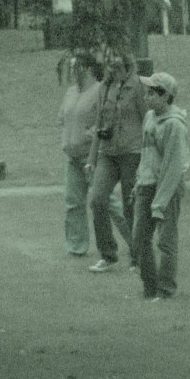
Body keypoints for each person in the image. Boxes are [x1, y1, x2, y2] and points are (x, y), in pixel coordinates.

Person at [58, 52, 129, 256]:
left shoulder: (100, 91)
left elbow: (111, 119)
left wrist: (94, 132)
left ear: (88, 69)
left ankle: (136, 238)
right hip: (72, 156)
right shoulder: (71, 92)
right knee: (73, 203)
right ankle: (76, 247)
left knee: (108, 202)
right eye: (71, 68)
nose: (72, 72)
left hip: (93, 156)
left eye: (75, 67)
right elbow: (62, 117)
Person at [85, 47, 148, 272]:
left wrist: (148, 157)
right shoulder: (104, 87)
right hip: (108, 153)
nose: (111, 63)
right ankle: (108, 255)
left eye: (115, 58)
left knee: (131, 206)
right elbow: (99, 124)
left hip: (132, 152)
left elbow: (147, 120)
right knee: (98, 200)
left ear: (126, 59)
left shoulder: (138, 85)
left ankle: (139, 257)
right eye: (108, 59)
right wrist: (91, 159)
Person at [132, 72, 190, 300]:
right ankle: (149, 287)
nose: (146, 97)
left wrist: (160, 202)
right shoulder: (149, 117)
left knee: (165, 241)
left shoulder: (174, 126)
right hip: (146, 185)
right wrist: (139, 180)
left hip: (167, 188)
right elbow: (146, 155)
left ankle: (165, 290)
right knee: (139, 238)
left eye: (152, 93)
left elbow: (173, 167)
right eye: (146, 92)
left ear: (166, 96)